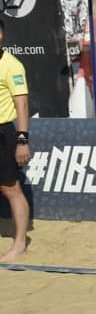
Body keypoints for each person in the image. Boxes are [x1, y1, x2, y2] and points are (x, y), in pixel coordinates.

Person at [0, 18, 31, 263]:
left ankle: (20, 243)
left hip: (4, 133)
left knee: (11, 189)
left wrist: (22, 139)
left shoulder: (12, 65)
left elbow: (22, 104)